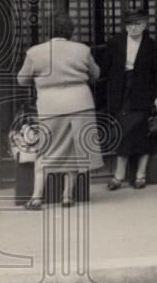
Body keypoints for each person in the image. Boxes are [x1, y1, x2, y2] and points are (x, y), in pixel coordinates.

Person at [17, 12, 103, 209]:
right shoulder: (82, 50)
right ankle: (67, 196)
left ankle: (37, 197)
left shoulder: (35, 52)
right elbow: (96, 74)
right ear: (71, 31)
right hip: (80, 104)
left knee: (45, 150)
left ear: (49, 31)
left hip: (50, 106)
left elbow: (22, 79)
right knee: (73, 151)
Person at [103, 7, 157, 191]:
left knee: (142, 132)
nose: (133, 28)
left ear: (145, 25)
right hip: (121, 92)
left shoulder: (151, 45)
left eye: (137, 24)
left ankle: (140, 175)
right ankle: (119, 175)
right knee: (122, 132)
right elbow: (105, 68)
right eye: (129, 24)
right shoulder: (116, 42)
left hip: (143, 92)